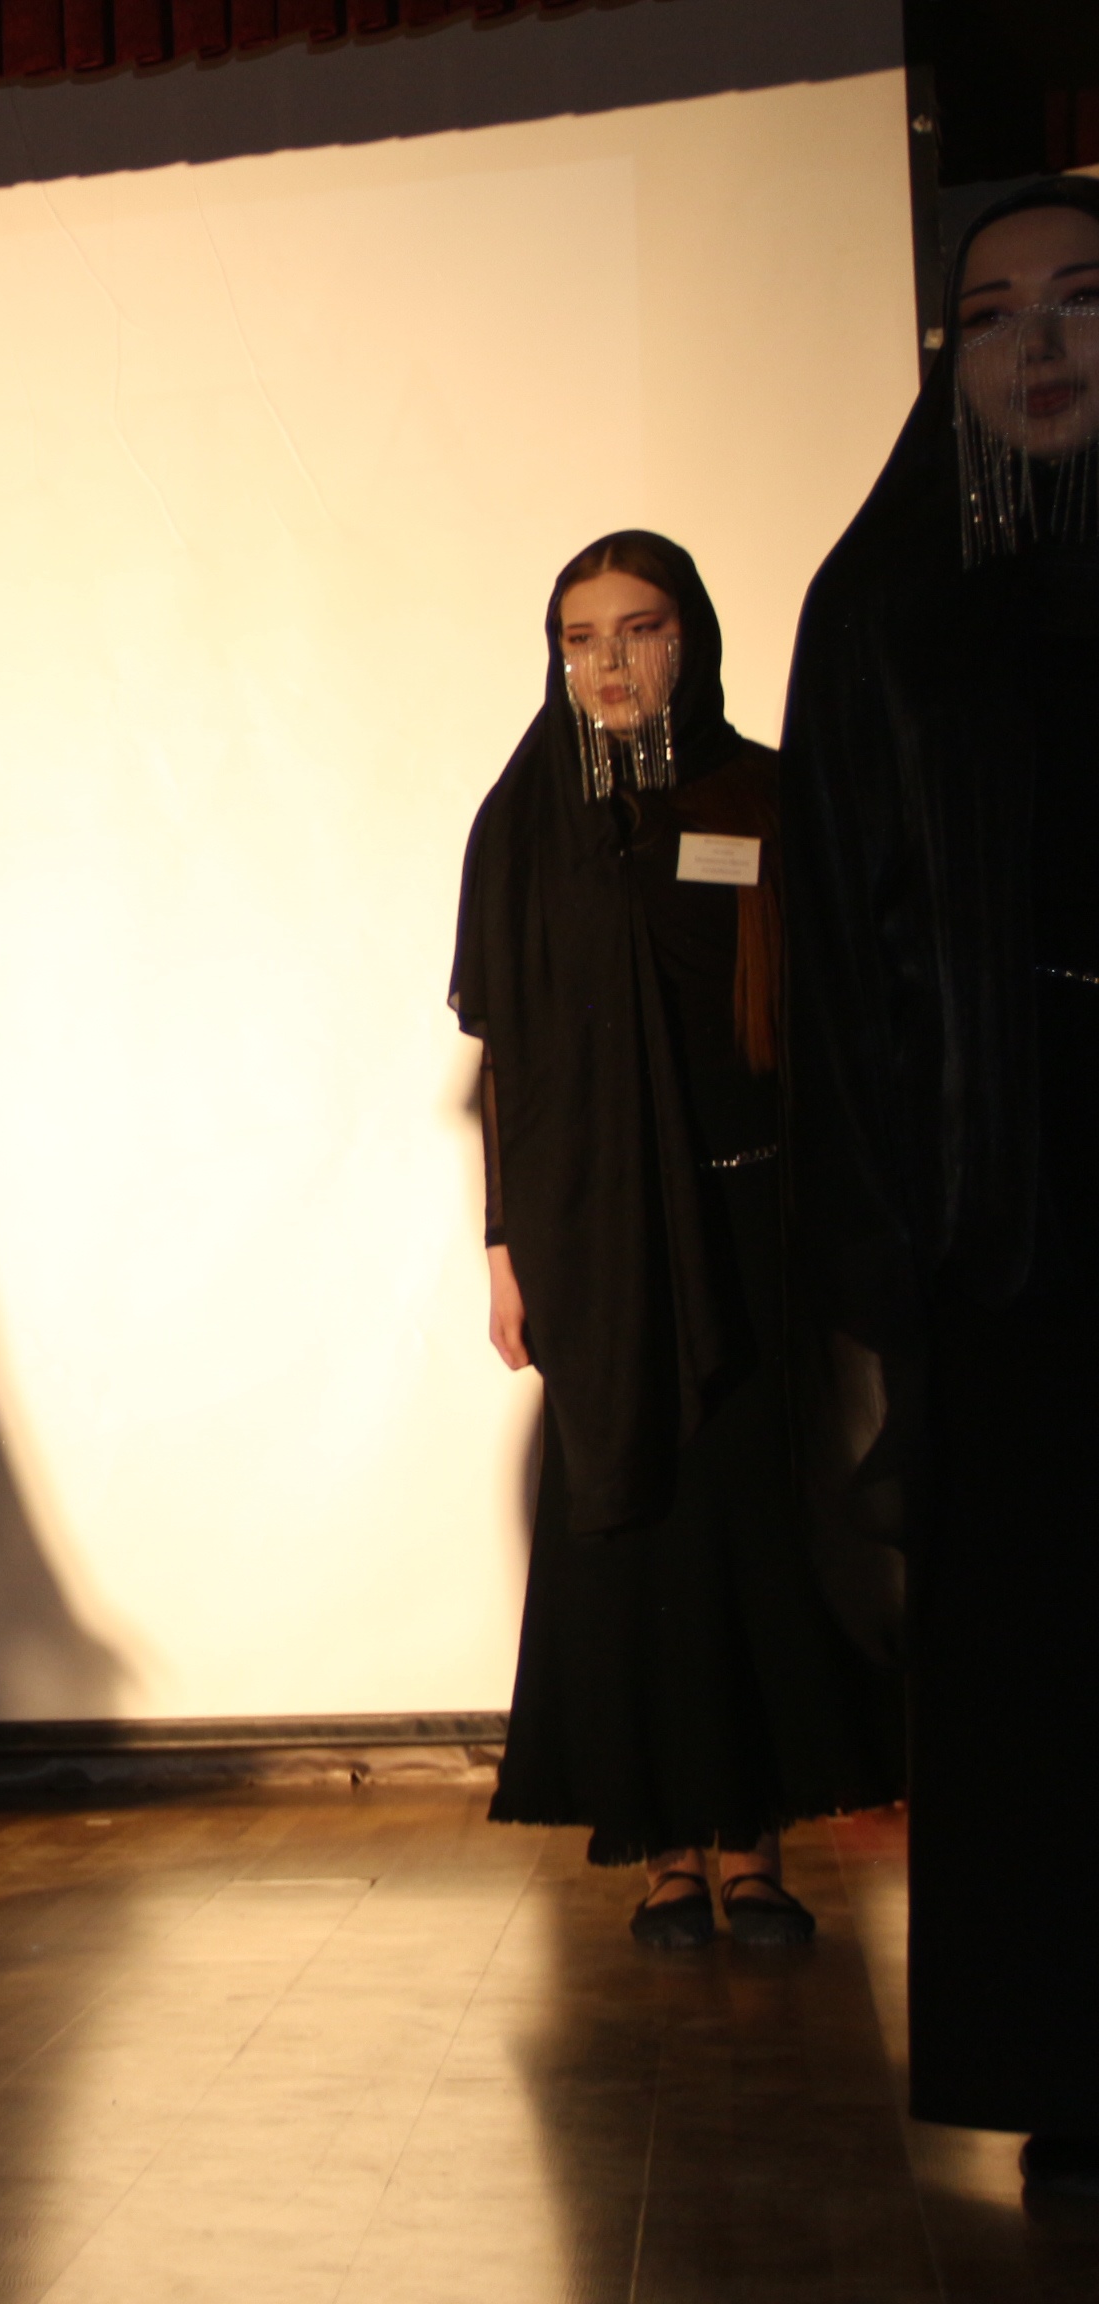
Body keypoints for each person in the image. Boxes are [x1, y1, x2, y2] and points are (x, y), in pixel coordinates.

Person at [780, 178, 1099, 2201]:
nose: (1036, 344)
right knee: (1050, 1669)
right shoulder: (890, 602)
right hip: (1015, 1237)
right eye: (990, 314)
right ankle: (1080, 2070)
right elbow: (836, 955)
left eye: (1079, 300)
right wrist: (889, 1246)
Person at [450, 530, 901, 1951]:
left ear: (687, 638)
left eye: (639, 629)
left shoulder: (759, 794)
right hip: (595, 1246)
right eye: (581, 637)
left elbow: (830, 1025)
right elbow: (510, 1062)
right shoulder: (525, 822)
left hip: (753, 1221)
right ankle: (661, 1856)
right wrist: (506, 1250)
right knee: (633, 1541)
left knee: (753, 1536)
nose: (610, 662)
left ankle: (754, 1850)